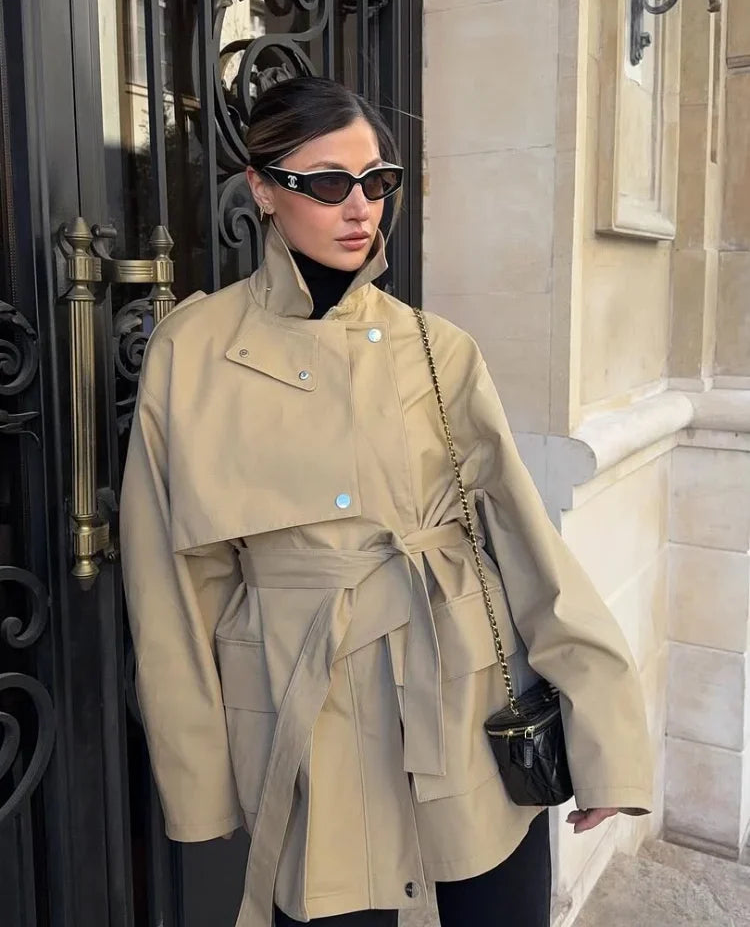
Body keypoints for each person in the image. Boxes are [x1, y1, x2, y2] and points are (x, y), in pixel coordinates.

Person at [120, 76, 652, 927]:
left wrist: (607, 736)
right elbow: (171, 588)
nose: (359, 206)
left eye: (377, 181)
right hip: (308, 727)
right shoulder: (192, 353)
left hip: (462, 707)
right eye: (327, 183)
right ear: (262, 188)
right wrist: (200, 780)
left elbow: (522, 545)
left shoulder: (436, 348)